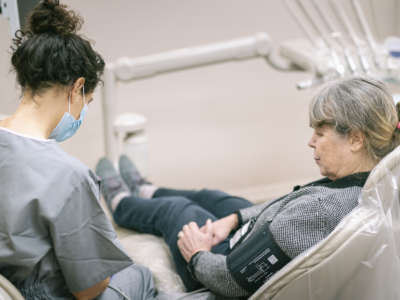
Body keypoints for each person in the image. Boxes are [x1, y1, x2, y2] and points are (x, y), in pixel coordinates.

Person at [95, 76, 400, 298]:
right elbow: (292, 202)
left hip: (220, 269)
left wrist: (197, 254)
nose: (311, 141)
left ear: (357, 139)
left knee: (179, 210)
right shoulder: (375, 180)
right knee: (217, 199)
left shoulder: (316, 212)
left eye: (320, 133)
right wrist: (236, 219)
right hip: (254, 235)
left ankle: (120, 200)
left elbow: (231, 281)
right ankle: (145, 189)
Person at [0, 1, 178, 299]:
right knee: (141, 275)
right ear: (77, 87)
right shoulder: (68, 177)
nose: (83, 111)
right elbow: (88, 289)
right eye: (87, 102)